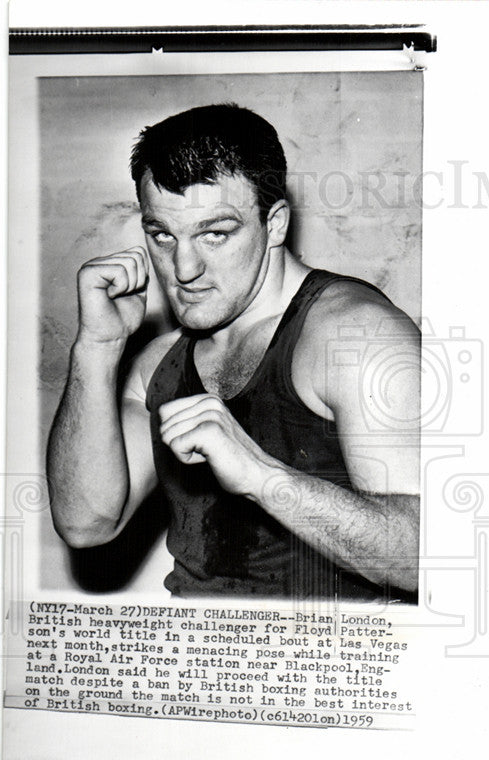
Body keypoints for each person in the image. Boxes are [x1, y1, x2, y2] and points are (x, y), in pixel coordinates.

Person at [47, 104, 420, 601]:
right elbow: (86, 524)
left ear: (277, 223)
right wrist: (96, 348)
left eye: (214, 234)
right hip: (200, 659)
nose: (183, 269)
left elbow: (425, 560)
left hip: (327, 665)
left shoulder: (356, 337)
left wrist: (261, 476)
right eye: (162, 235)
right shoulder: (159, 363)